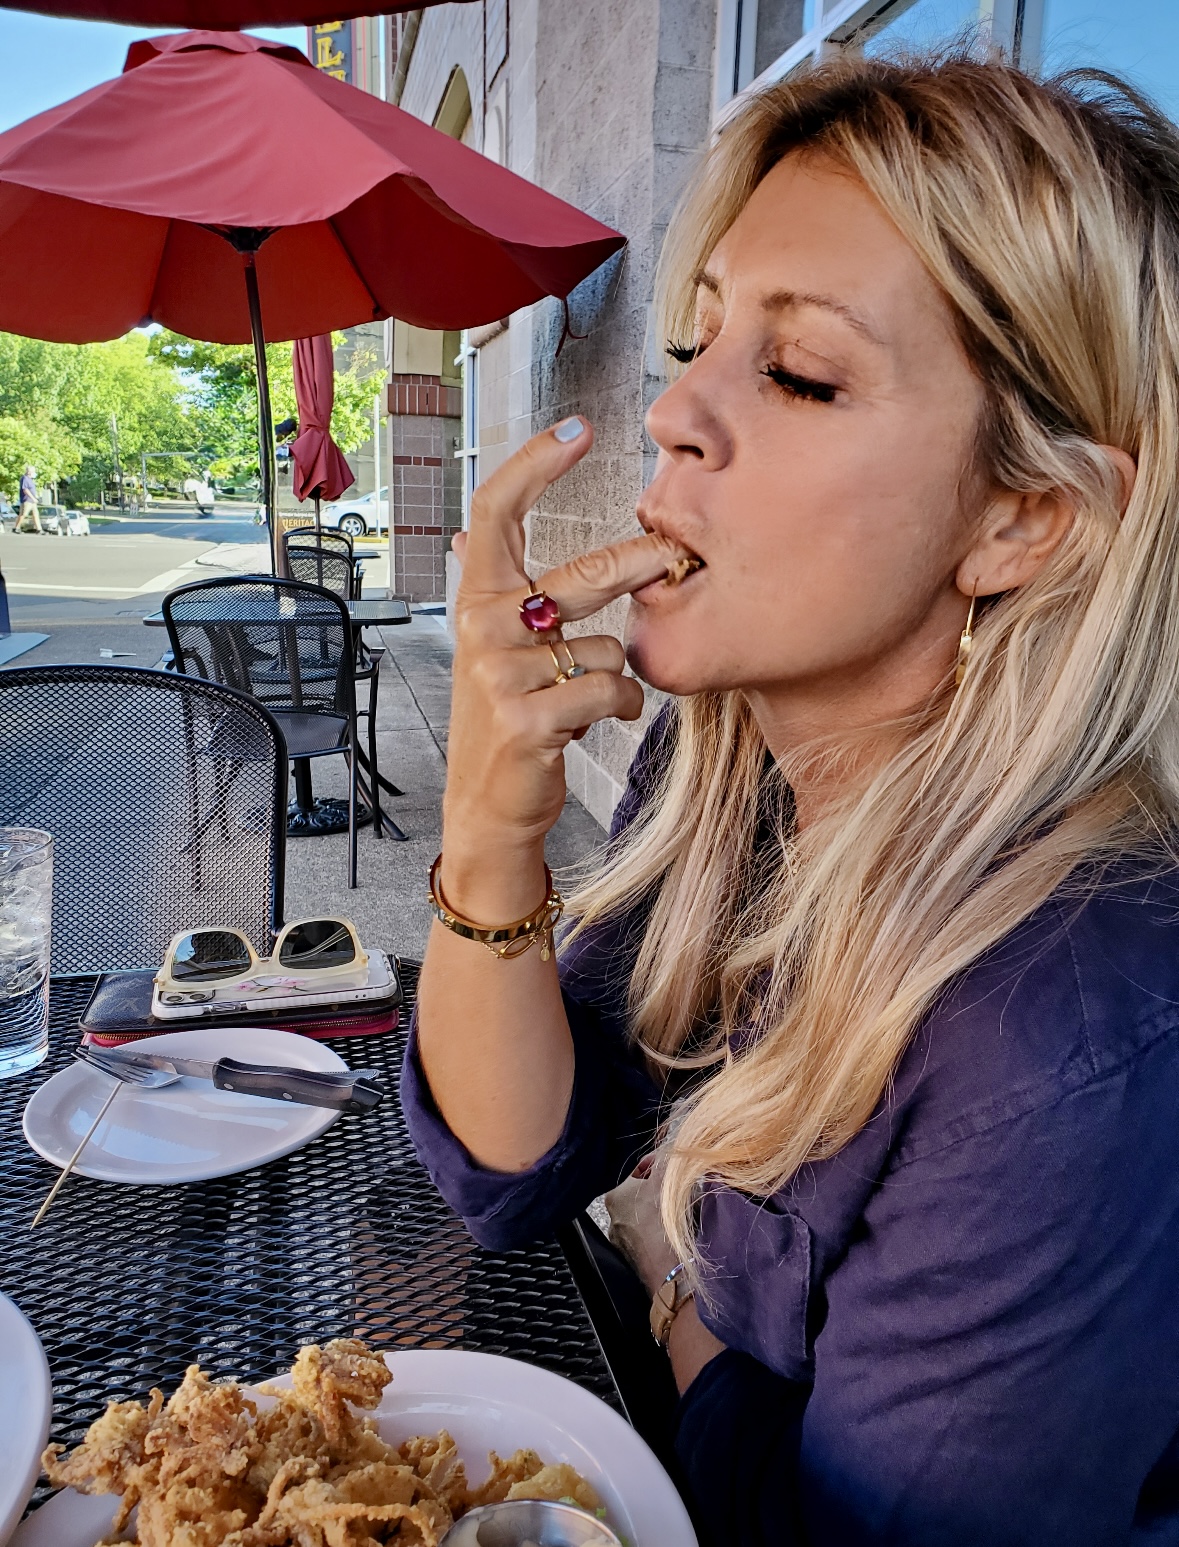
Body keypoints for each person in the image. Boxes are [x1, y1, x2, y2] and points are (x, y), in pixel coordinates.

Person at [405, 54, 1179, 1545]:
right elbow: (519, 1165)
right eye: (694, 346)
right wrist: (492, 831)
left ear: (1022, 518)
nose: (672, 415)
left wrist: (681, 1301)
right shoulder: (733, 772)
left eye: (799, 371)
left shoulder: (1064, 1027)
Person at [15, 465, 40, 533]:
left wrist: (35, 497)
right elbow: (25, 490)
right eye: (33, 471)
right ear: (29, 472)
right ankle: (17, 527)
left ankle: (39, 529)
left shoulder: (31, 479)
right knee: (23, 514)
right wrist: (33, 498)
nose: (34, 473)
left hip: (32, 500)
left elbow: (32, 489)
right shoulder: (25, 478)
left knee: (35, 514)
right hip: (27, 500)